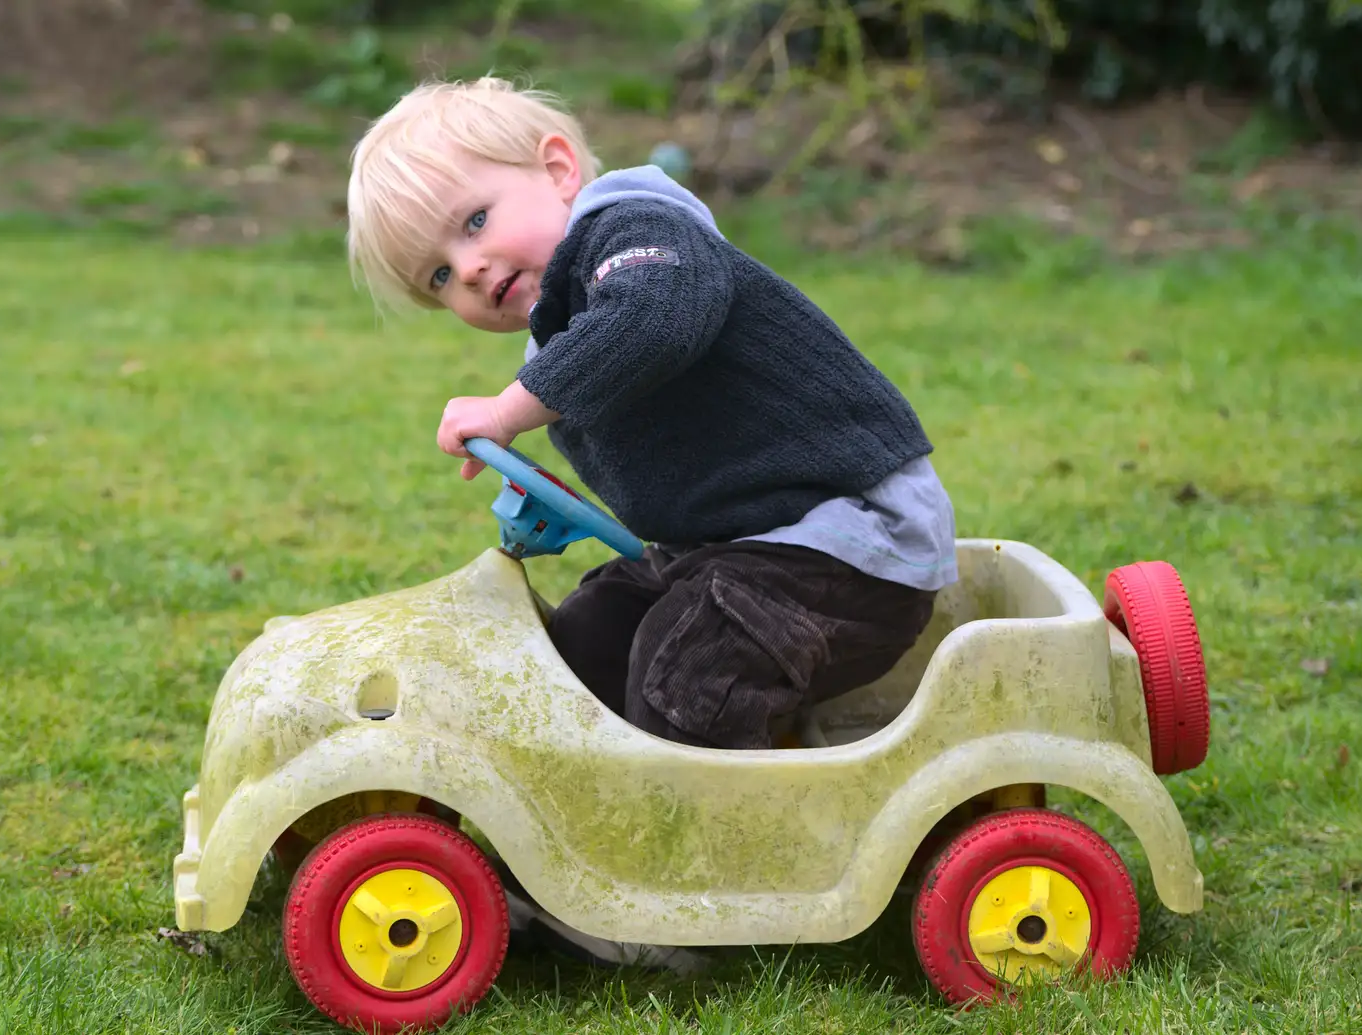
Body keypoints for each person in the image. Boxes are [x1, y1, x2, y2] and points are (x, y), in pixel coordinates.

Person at [343, 74, 958, 968]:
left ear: (556, 168)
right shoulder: (560, 338)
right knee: (587, 635)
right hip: (740, 548)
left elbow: (657, 321)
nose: (469, 269)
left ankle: (691, 899)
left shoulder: (636, 235)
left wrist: (516, 406)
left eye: (474, 222)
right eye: (440, 275)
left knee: (691, 662)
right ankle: (559, 848)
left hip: (846, 534)